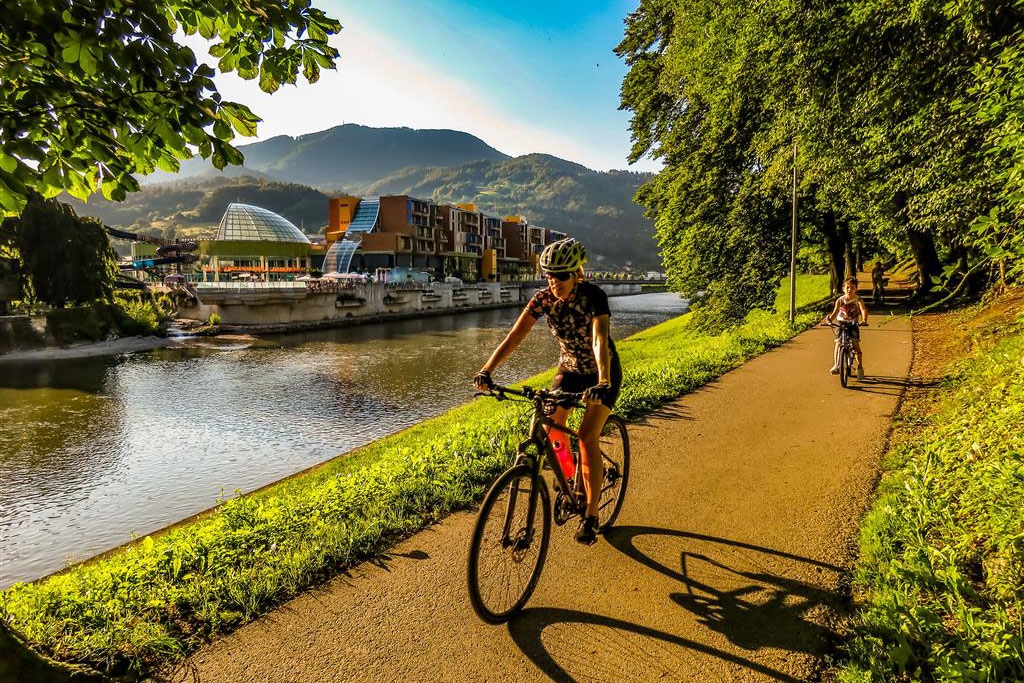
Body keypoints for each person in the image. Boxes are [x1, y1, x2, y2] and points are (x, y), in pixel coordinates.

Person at [474, 237, 622, 546]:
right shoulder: (542, 300)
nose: (555, 282)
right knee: (551, 427)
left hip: (601, 371)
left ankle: (591, 515)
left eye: (562, 275)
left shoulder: (593, 296)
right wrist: (488, 370)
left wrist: (603, 380)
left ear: (577, 273)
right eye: (549, 275)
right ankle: (571, 480)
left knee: (585, 436)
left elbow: (599, 338)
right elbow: (515, 336)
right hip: (569, 370)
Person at [825, 276, 869, 379]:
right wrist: (829, 320)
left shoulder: (858, 300)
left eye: (852, 288)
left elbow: (863, 310)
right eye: (848, 287)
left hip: (853, 324)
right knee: (838, 342)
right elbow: (835, 313)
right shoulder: (840, 300)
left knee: (855, 343)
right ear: (843, 288)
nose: (850, 290)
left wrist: (864, 320)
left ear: (856, 289)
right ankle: (837, 365)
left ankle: (860, 367)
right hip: (841, 323)